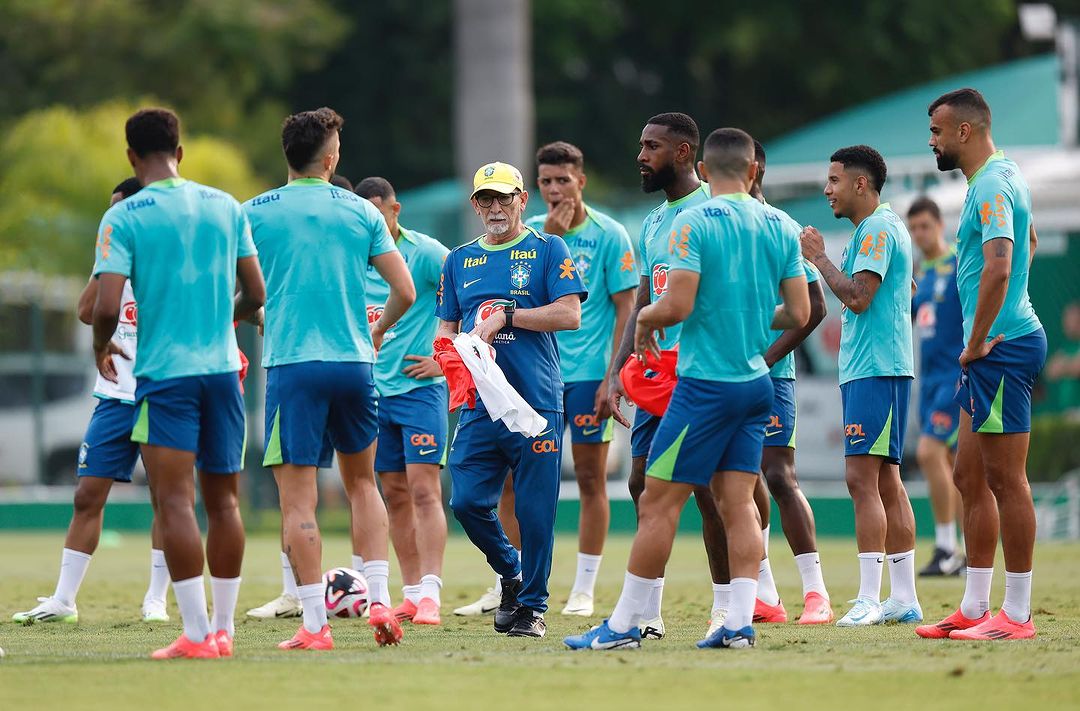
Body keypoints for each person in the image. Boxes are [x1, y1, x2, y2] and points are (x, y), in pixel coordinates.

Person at [565, 127, 810, 651]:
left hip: (703, 385)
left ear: (703, 163)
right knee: (738, 501)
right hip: (754, 383)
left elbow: (674, 305)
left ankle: (625, 625)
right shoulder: (778, 224)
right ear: (751, 170)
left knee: (657, 503)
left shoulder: (694, 222)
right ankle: (739, 623)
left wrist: (651, 317)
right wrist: (741, 315)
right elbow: (800, 312)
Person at [91, 108, 265, 659]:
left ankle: (194, 635)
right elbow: (256, 292)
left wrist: (102, 344)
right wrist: (224, 319)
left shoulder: (125, 217)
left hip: (166, 376)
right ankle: (226, 632)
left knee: (174, 503)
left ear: (130, 157)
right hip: (222, 373)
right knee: (225, 504)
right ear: (180, 152)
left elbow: (104, 303)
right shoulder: (225, 206)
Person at [245, 108, 415, 650]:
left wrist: (262, 317)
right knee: (364, 484)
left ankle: (316, 625)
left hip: (294, 366)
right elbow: (405, 292)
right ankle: (382, 602)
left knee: (298, 501)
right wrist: (378, 332)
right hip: (354, 364)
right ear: (332, 156)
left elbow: (241, 296)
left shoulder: (253, 212)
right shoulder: (362, 213)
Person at [436, 161, 587, 639]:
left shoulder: (548, 248)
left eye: (505, 197)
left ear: (524, 200)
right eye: (486, 199)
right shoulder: (458, 259)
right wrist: (451, 359)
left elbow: (570, 315)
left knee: (536, 512)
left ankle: (532, 608)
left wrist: (509, 315)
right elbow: (446, 328)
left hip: (536, 404)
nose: (495, 207)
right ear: (475, 205)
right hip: (481, 406)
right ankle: (511, 572)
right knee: (466, 501)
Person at [12, 178, 173, 626]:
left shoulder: (166, 259)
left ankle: (156, 600)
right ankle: (64, 600)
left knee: (166, 497)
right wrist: (106, 263)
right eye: (110, 214)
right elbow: (87, 311)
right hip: (114, 397)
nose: (113, 221)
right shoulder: (111, 263)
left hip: (160, 392)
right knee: (87, 495)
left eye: (120, 212)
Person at [916, 88, 1046, 641]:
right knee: (969, 474)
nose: (932, 142)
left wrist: (979, 337)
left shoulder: (992, 184)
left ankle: (1015, 616)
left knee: (1005, 479)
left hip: (999, 348)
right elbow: (1031, 242)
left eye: (938, 133)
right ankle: (973, 606)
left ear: (964, 132)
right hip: (997, 343)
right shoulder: (1000, 176)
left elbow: (999, 268)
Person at [604, 112, 732, 639]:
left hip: (703, 371)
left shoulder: (715, 210)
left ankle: (728, 607)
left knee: (707, 491)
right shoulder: (655, 220)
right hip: (656, 376)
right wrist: (616, 372)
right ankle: (648, 614)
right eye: (641, 145)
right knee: (640, 483)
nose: (641, 156)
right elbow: (642, 299)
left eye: (651, 147)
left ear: (683, 153)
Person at [799, 145, 921, 627]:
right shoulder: (879, 229)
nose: (827, 190)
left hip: (878, 368)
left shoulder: (875, 229)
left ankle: (870, 597)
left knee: (861, 479)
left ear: (860, 184)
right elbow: (901, 288)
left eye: (833, 180)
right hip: (874, 366)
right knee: (887, 480)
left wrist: (820, 259)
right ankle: (903, 596)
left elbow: (858, 297)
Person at [518, 141, 636, 616]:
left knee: (590, 478)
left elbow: (627, 307)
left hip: (589, 377)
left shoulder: (610, 234)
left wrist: (613, 377)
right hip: (536, 375)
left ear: (580, 182)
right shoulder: (530, 235)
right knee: (521, 478)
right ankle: (515, 580)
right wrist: (548, 238)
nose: (553, 189)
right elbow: (520, 301)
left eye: (562, 180)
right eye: (545, 181)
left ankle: (584, 587)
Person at [357, 176, 450, 626]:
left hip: (420, 390)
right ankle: (411, 593)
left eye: (382, 211)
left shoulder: (428, 253)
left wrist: (445, 360)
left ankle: (432, 592)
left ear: (396, 210)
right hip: (373, 393)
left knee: (423, 489)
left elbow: (468, 296)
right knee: (391, 492)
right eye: (367, 214)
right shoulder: (353, 259)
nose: (375, 221)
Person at [750, 141, 834, 624]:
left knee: (779, 477)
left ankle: (816, 594)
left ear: (754, 168)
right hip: (720, 373)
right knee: (737, 483)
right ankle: (765, 596)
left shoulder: (782, 226)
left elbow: (815, 309)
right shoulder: (710, 223)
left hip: (770, 373)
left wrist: (766, 358)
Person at [908, 196, 966, 576]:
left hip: (954, 375)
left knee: (928, 452)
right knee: (951, 466)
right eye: (913, 229)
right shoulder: (920, 271)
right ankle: (961, 553)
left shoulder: (959, 261)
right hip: (928, 379)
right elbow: (918, 320)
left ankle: (946, 547)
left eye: (925, 226)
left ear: (940, 224)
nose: (919, 234)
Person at [1044, 303, 1080, 414]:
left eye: (1071, 319)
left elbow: (1077, 368)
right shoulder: (1067, 346)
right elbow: (1050, 372)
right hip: (1066, 410)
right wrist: (1069, 366)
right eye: (1065, 319)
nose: (1066, 323)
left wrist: (1063, 366)